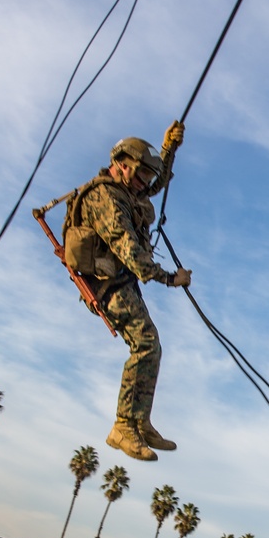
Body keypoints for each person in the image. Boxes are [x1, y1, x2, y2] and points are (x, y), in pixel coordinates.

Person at [64, 124, 190, 463]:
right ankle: (123, 426)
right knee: (146, 343)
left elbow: (157, 182)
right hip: (107, 285)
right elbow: (129, 251)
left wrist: (169, 149)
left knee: (151, 344)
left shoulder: (128, 190)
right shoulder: (104, 197)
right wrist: (169, 278)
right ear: (121, 165)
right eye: (139, 175)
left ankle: (138, 420)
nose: (144, 183)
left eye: (146, 177)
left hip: (120, 282)